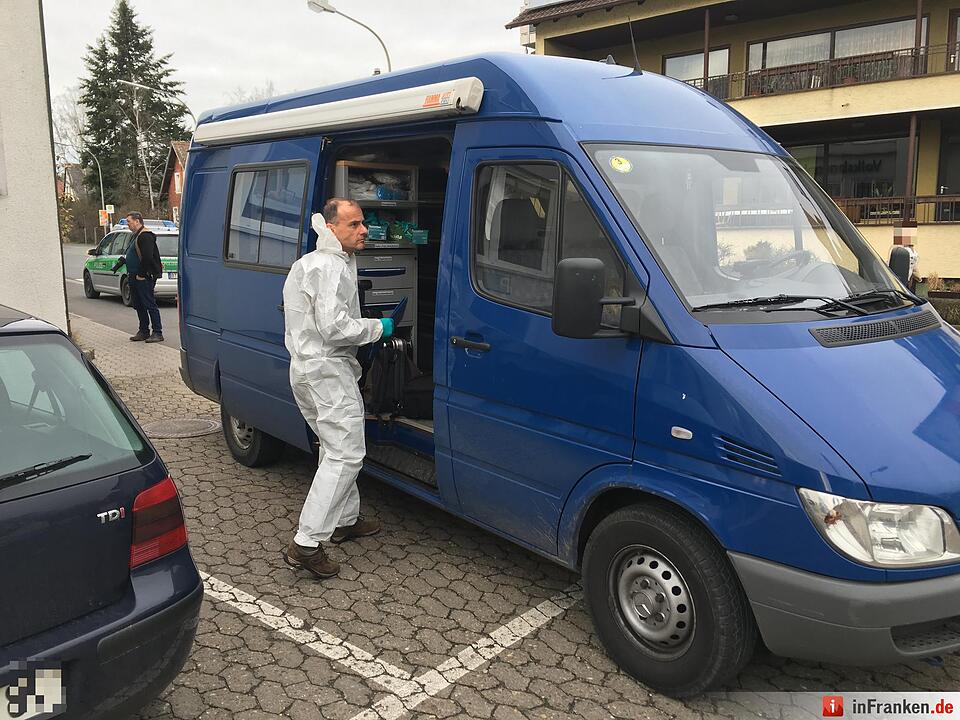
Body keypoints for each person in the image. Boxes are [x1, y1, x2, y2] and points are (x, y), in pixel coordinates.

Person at [282, 198, 394, 579]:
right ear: (332, 228)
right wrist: (378, 327)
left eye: (362, 223)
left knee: (333, 446)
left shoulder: (311, 263)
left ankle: (344, 520)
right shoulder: (330, 267)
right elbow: (334, 327)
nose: (363, 230)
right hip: (326, 372)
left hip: (307, 370)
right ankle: (306, 543)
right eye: (354, 224)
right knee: (346, 454)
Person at [112, 212, 164, 343]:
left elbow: (147, 257)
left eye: (129, 221)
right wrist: (123, 262)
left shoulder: (145, 236)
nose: (128, 224)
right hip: (133, 276)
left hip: (143, 277)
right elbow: (134, 254)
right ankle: (143, 331)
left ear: (137, 221)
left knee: (149, 304)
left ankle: (157, 332)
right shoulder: (136, 235)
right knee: (139, 305)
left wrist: (141, 274)